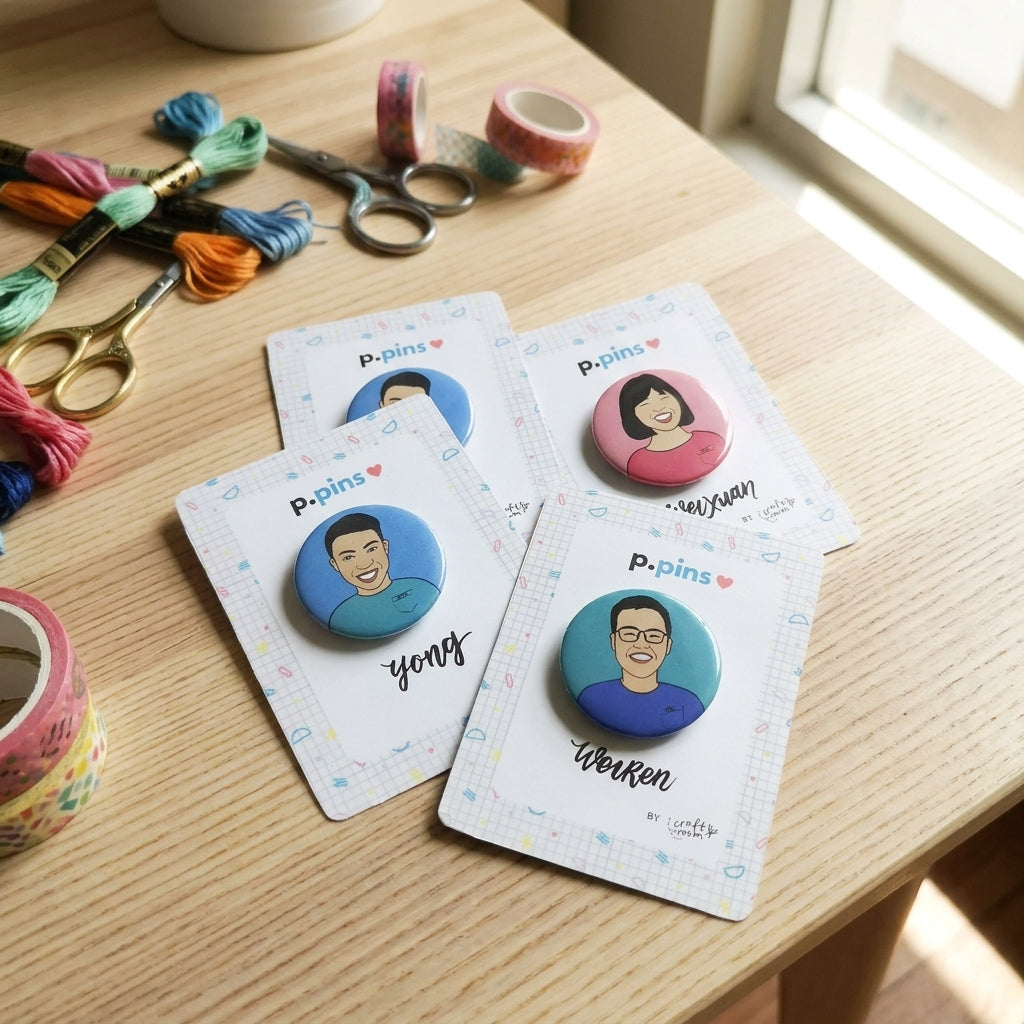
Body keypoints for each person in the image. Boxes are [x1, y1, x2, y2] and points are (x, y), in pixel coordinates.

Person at [577, 594, 704, 737]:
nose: (641, 644)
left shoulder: (689, 701)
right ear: (613, 641)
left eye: (654, 636)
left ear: (668, 645)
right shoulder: (591, 696)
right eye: (629, 634)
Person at [324, 511, 439, 638]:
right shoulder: (340, 616)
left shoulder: (421, 588)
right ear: (335, 565)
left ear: (385, 547)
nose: (364, 564)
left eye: (371, 549)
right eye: (349, 557)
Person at [618, 373, 726, 485]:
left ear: (677, 399)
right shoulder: (638, 461)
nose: (659, 408)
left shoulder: (711, 440)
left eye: (663, 398)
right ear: (633, 416)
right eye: (645, 404)